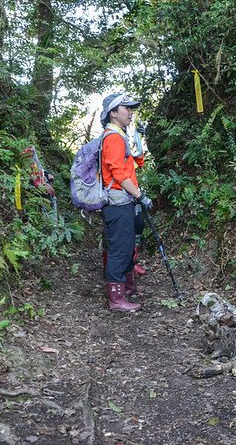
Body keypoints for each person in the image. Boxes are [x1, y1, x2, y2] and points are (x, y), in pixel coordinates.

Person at [99, 93, 153, 312]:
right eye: (126, 108)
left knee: (128, 244)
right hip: (117, 202)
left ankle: (127, 286)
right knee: (119, 249)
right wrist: (140, 196)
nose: (130, 112)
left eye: (131, 109)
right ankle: (116, 298)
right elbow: (119, 174)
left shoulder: (119, 136)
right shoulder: (112, 137)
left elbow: (135, 163)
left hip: (124, 201)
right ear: (113, 113)